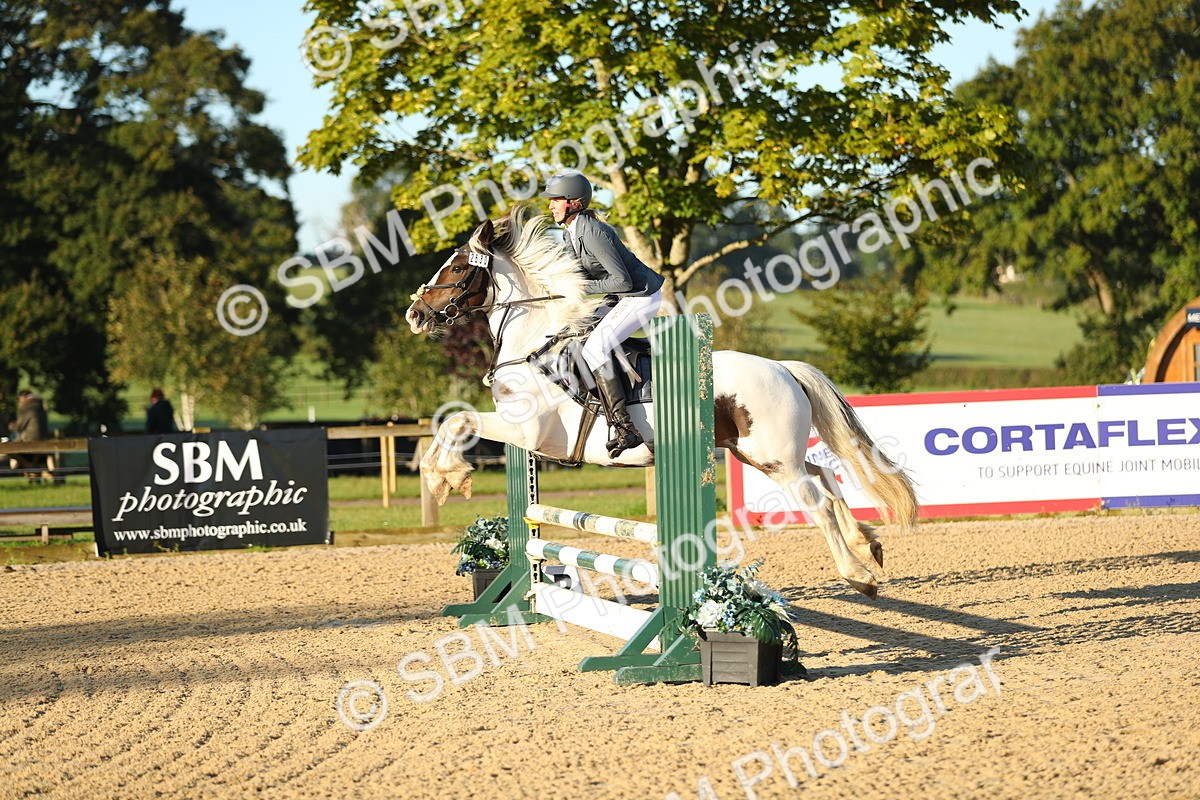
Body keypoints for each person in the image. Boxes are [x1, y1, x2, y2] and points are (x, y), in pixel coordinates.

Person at [541, 171, 665, 457]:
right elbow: (578, 274)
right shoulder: (568, 232)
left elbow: (622, 281)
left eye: (555, 200)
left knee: (596, 347)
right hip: (619, 296)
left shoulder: (592, 230)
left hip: (641, 295)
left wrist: (582, 288)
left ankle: (625, 427)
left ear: (572, 202)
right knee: (573, 331)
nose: (550, 206)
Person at [9, 389, 51, 479]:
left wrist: (9, 425)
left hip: (30, 442)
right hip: (44, 442)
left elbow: (19, 426)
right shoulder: (41, 408)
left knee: (9, 450)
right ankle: (33, 470)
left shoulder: (29, 408)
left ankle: (31, 468)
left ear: (24, 397)